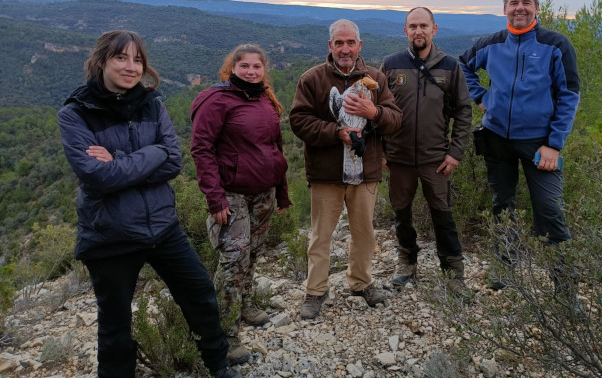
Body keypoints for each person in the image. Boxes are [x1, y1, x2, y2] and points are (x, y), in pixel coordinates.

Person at [57, 30, 240, 378]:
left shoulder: (152, 104)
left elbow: (173, 162)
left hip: (161, 225)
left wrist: (121, 159)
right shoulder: (76, 113)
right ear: (101, 61)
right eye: (121, 58)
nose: (130, 67)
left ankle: (218, 365)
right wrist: (150, 154)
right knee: (115, 323)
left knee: (199, 292)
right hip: (110, 233)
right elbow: (97, 176)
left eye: (137, 59)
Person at [459, 0, 580, 297]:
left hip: (540, 143)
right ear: (504, 9)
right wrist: (480, 97)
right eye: (514, 3)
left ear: (537, 7)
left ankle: (565, 290)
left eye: (526, 2)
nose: (520, 8)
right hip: (497, 137)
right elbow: (462, 65)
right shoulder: (492, 43)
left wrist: (554, 143)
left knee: (550, 210)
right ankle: (504, 270)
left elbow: (569, 94)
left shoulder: (555, 45)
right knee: (501, 205)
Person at [289, 19, 402, 319]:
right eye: (339, 43)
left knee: (364, 233)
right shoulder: (311, 79)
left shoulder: (376, 79)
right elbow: (298, 120)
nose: (345, 48)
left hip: (365, 172)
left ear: (359, 45)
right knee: (321, 235)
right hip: (326, 172)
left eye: (350, 42)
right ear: (330, 46)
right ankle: (315, 291)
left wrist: (373, 112)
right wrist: (333, 132)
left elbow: (395, 119)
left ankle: (361, 283)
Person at [190, 43, 291, 364]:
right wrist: (214, 198)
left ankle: (245, 305)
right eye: (244, 66)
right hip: (231, 193)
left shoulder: (265, 99)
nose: (250, 71)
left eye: (256, 66)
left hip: (263, 192)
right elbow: (201, 149)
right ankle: (225, 333)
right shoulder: (216, 100)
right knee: (234, 260)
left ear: (264, 70)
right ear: (232, 68)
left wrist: (282, 191)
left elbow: (275, 148)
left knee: (254, 252)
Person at [380, 7, 473, 297]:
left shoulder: (450, 65)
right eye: (412, 26)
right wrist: (382, 152)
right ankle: (407, 261)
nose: (418, 31)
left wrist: (455, 152)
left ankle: (453, 271)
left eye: (423, 25)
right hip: (399, 159)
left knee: (443, 215)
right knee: (401, 213)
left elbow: (464, 111)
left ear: (434, 28)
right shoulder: (391, 64)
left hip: (436, 159)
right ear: (404, 31)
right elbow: (378, 111)